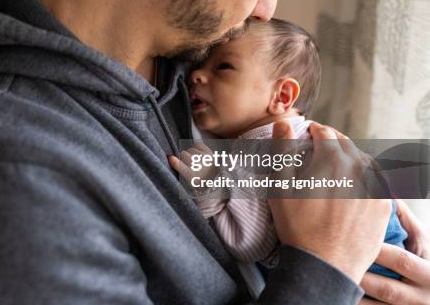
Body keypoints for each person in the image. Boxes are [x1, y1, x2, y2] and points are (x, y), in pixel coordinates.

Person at [0, 0, 430, 303]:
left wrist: (371, 224)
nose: (264, 11)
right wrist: (326, 270)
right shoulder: (12, 187)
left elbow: (273, 159)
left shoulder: (188, 57)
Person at [168, 19, 409, 293]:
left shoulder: (271, 151)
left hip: (367, 266)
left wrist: (212, 186)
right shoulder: (295, 141)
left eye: (223, 67)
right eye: (200, 64)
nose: (196, 75)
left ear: (282, 95)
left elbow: (254, 244)